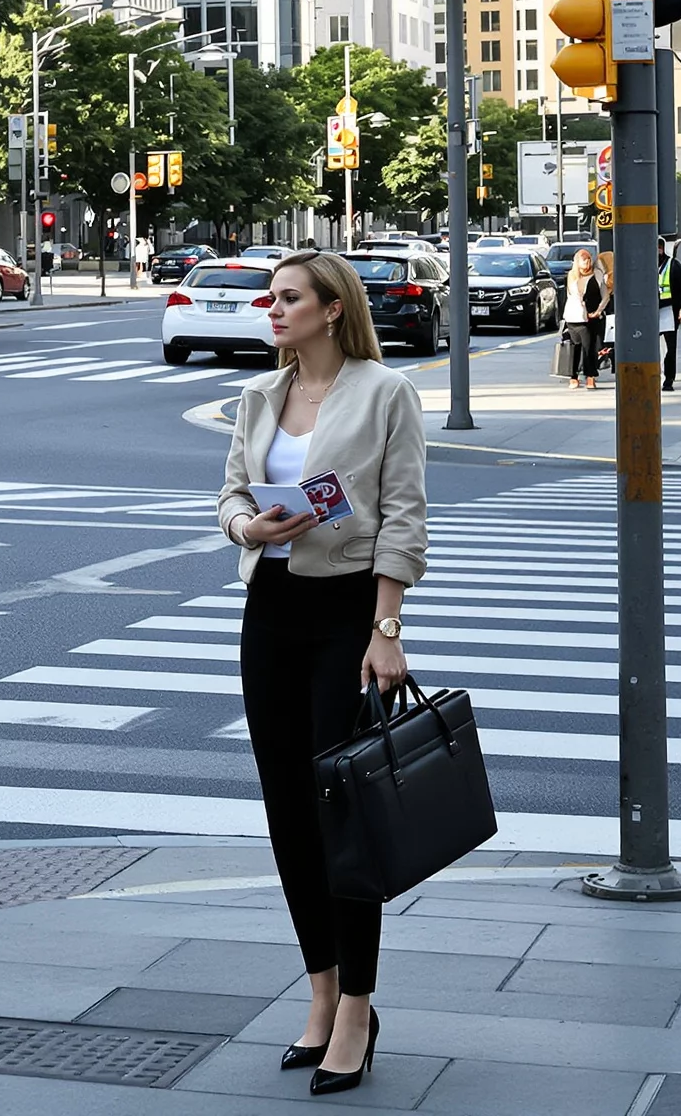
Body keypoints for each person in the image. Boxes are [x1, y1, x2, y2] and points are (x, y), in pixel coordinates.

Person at [216, 249, 427, 1097]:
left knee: (342, 813)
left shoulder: (385, 394)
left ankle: (359, 1009)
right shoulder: (261, 394)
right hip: (269, 610)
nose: (273, 308)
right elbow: (230, 492)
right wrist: (246, 529)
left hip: (346, 617)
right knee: (288, 811)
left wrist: (387, 628)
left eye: (289, 298)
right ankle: (320, 991)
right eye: (272, 297)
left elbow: (404, 515)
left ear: (332, 309)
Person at [561, 246, 606, 392]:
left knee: (589, 348)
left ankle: (590, 376)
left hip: (591, 318)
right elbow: (575, 295)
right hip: (574, 317)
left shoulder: (597, 275)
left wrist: (598, 311)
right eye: (583, 260)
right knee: (575, 347)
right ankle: (573, 376)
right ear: (577, 262)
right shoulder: (572, 276)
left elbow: (605, 295)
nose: (586, 263)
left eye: (588, 260)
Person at [658, 237, 681, 391]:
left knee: (670, 348)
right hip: (650, 313)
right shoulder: (643, 265)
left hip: (668, 311)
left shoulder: (673, 265)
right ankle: (653, 376)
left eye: (658, 248)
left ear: (662, 249)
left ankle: (668, 380)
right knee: (651, 349)